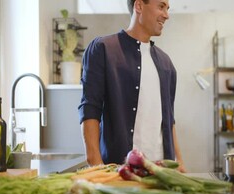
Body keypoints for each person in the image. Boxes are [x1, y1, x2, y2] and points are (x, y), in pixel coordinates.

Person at [78, 0, 185, 172]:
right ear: (139, 6)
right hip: (119, 173)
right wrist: (96, 164)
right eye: (161, 6)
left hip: (162, 173)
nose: (166, 15)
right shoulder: (103, 49)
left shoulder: (166, 64)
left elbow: (169, 120)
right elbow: (90, 108)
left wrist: (179, 162)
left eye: (167, 8)